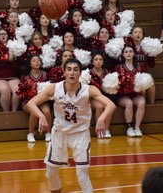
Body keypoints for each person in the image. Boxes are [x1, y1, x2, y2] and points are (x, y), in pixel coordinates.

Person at [26, 58, 116, 193]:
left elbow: (111, 105)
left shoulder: (89, 90)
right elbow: (31, 103)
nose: (72, 73)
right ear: (64, 72)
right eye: (69, 69)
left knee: (82, 176)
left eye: (75, 70)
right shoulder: (55, 88)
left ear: (80, 73)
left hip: (80, 134)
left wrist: (101, 119)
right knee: (50, 174)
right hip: (59, 133)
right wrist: (42, 116)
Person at [114, 45, 146, 137]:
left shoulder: (140, 67)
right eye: (126, 52)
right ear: (123, 55)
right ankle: (129, 128)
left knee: (142, 102)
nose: (128, 53)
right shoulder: (118, 67)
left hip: (135, 94)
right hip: (122, 95)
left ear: (134, 53)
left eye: (130, 51)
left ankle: (137, 128)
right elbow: (114, 84)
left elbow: (145, 81)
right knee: (129, 103)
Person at [0, 28, 21, 112]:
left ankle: (14, 112)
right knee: (5, 90)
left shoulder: (13, 46)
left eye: (5, 34)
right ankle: (6, 113)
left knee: (17, 89)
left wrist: (15, 57)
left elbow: (19, 64)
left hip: (11, 76)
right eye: (1, 34)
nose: (3, 35)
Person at [20, 55, 52, 142]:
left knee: (47, 111)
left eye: (38, 60)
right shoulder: (25, 76)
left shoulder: (45, 75)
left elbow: (49, 89)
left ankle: (48, 132)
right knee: (34, 112)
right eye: (34, 60)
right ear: (30, 64)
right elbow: (21, 91)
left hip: (42, 101)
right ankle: (30, 133)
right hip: (28, 101)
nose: (37, 62)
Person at [89, 52, 114, 138]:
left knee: (108, 105)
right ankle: (99, 129)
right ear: (92, 62)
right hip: (92, 98)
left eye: (100, 60)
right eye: (96, 60)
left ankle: (106, 129)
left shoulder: (108, 72)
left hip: (105, 96)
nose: (98, 61)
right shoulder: (88, 73)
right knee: (99, 106)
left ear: (103, 62)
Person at [131, 26, 156, 104]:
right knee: (142, 89)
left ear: (142, 35)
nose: (138, 34)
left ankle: (152, 105)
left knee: (151, 83)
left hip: (144, 73)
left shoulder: (146, 48)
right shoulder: (129, 48)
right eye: (135, 32)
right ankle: (143, 106)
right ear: (131, 35)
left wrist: (151, 55)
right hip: (132, 74)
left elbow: (152, 65)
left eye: (140, 32)